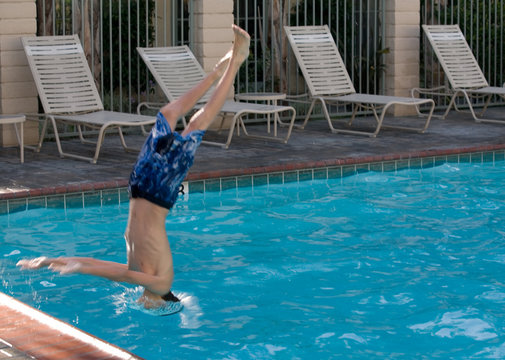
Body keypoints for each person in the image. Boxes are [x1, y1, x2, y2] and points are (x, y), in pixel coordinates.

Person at [17, 24, 251, 313]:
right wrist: (78, 268)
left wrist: (53, 260)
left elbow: (112, 268)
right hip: (160, 191)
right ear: (164, 301)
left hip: (140, 186)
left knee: (166, 115)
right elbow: (124, 276)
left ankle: (220, 70)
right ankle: (231, 65)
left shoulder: (139, 271)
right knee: (195, 125)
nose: (142, 301)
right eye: (148, 305)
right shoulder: (162, 283)